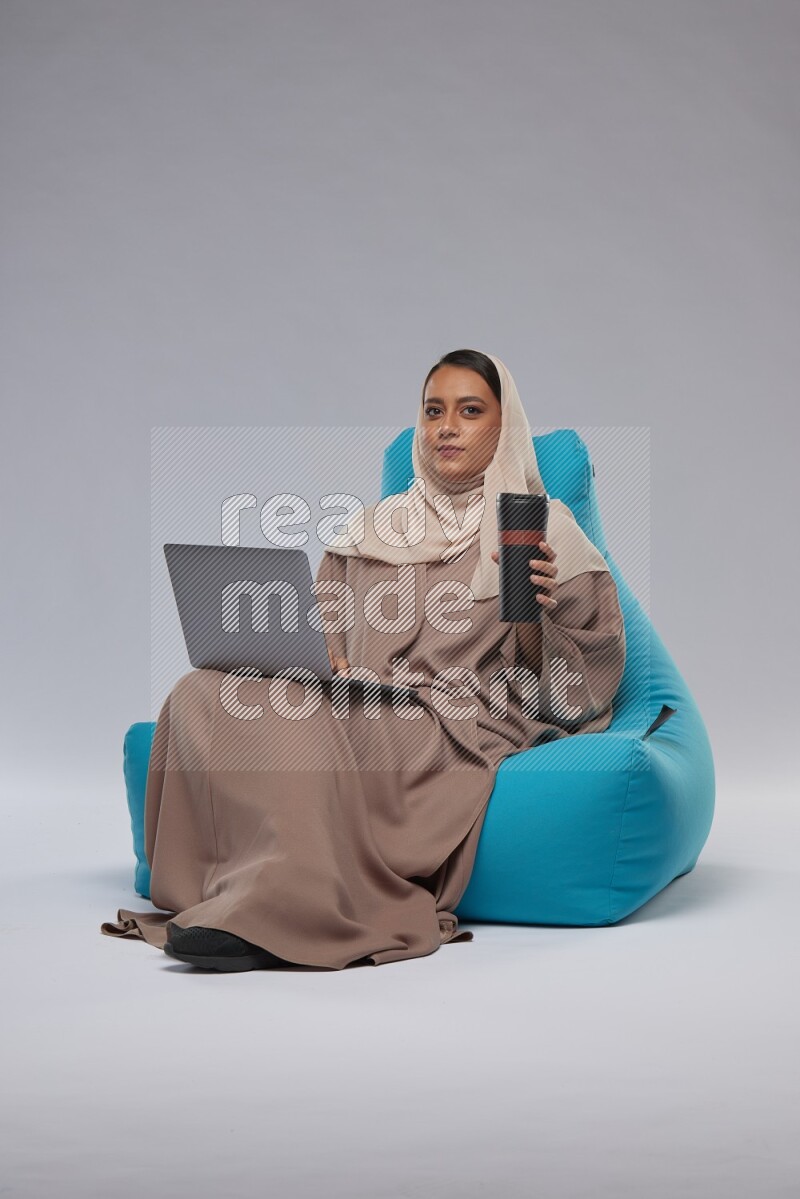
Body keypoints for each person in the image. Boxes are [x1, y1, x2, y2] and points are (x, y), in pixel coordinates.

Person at [100, 349, 626, 971]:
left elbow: (571, 697)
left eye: (470, 411)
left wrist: (538, 612)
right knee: (199, 691)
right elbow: (323, 633)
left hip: (450, 721)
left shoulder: (543, 530)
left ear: (503, 425)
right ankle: (225, 888)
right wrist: (321, 659)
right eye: (434, 411)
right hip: (359, 700)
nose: (446, 428)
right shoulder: (372, 527)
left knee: (294, 716)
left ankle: (281, 909)